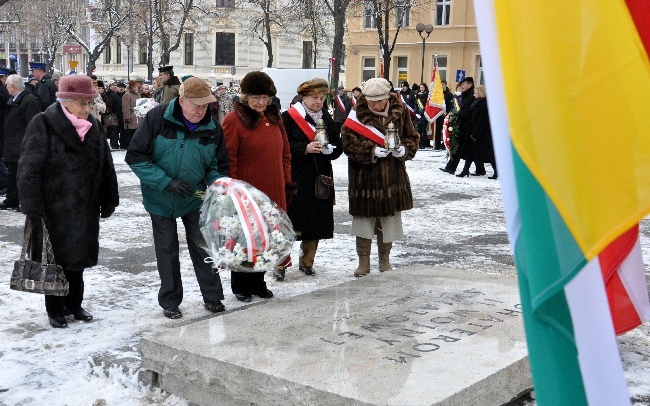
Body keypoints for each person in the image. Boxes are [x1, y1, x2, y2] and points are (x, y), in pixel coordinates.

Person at [18, 74, 119, 328]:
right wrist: (32, 206)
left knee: (78, 260)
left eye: (89, 103)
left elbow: (106, 164)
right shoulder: (43, 124)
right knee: (55, 260)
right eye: (82, 104)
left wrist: (109, 197)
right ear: (65, 101)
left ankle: (74, 304)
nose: (87, 109)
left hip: (85, 207)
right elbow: (28, 169)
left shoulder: (93, 126)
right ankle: (55, 309)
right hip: (52, 208)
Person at [125, 77, 228, 319]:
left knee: (203, 246)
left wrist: (215, 187)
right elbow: (136, 156)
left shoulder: (212, 127)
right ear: (182, 101)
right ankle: (170, 300)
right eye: (196, 106)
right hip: (160, 197)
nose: (201, 111)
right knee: (167, 249)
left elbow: (218, 164)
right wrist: (165, 182)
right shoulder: (157, 118)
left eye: (205, 106)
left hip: (195, 196)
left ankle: (212, 297)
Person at [221, 71, 294, 298]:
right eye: (255, 97)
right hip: (247, 192)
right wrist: (232, 190)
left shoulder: (274, 119)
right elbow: (229, 157)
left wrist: (286, 181)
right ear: (245, 97)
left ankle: (258, 282)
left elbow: (285, 154)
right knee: (245, 238)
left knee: (267, 238)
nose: (261, 102)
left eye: (265, 97)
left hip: (273, 190)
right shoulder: (234, 120)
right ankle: (241, 285)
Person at [341, 77, 419, 277]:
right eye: (372, 101)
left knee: (389, 222)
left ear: (387, 97)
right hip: (364, 179)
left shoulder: (400, 111)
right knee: (363, 224)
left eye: (380, 100)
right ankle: (363, 262)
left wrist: (404, 150)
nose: (376, 104)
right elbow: (348, 145)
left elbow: (412, 136)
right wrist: (371, 151)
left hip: (393, 177)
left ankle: (385, 260)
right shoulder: (355, 115)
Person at [281, 78, 343, 276]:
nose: (319, 101)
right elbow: (281, 146)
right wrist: (304, 148)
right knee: (290, 222)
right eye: (315, 97)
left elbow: (338, 145)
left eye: (322, 98)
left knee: (315, 222)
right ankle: (280, 263)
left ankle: (307, 261)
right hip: (296, 177)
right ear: (304, 97)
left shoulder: (326, 117)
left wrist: (331, 150)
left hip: (320, 177)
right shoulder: (289, 117)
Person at [1, 74, 41, 211]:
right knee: (13, 174)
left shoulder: (28, 101)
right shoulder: (15, 99)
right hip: (13, 145)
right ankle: (11, 200)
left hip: (22, 145)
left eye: (7, 85)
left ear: (12, 86)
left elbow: (33, 124)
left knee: (24, 176)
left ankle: (24, 202)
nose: (6, 88)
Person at [440, 76, 478, 175]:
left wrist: (458, 114)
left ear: (469, 85)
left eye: (463, 84)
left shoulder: (471, 96)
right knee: (460, 147)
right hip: (463, 125)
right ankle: (451, 167)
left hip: (468, 126)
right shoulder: (465, 95)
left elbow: (469, 112)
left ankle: (452, 168)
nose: (461, 85)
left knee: (464, 148)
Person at [462, 85, 497, 179]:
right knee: (470, 152)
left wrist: (476, 133)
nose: (474, 95)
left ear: (481, 93)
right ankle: (465, 170)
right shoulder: (476, 103)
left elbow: (483, 121)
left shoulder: (484, 104)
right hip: (474, 131)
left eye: (476, 93)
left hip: (482, 134)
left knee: (488, 154)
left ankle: (496, 171)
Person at [121, 79, 141, 149]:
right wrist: (127, 117)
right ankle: (128, 145)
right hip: (131, 116)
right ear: (132, 87)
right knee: (129, 132)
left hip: (137, 116)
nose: (137, 88)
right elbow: (125, 107)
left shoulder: (137, 95)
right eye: (135, 86)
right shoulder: (127, 95)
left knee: (136, 132)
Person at [109, 82, 126, 149]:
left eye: (122, 87)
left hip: (124, 116)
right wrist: (112, 114)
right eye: (120, 87)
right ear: (117, 88)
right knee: (115, 131)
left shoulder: (126, 95)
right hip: (115, 116)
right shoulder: (113, 95)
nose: (121, 89)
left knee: (123, 131)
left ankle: (123, 144)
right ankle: (114, 144)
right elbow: (111, 105)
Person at [415, 83, 430, 149]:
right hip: (418, 116)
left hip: (424, 115)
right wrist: (416, 113)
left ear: (425, 88)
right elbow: (415, 104)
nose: (421, 89)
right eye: (420, 87)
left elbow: (427, 106)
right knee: (419, 130)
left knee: (424, 130)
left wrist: (421, 113)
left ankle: (423, 144)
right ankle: (419, 143)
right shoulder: (417, 95)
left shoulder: (427, 96)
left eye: (423, 87)